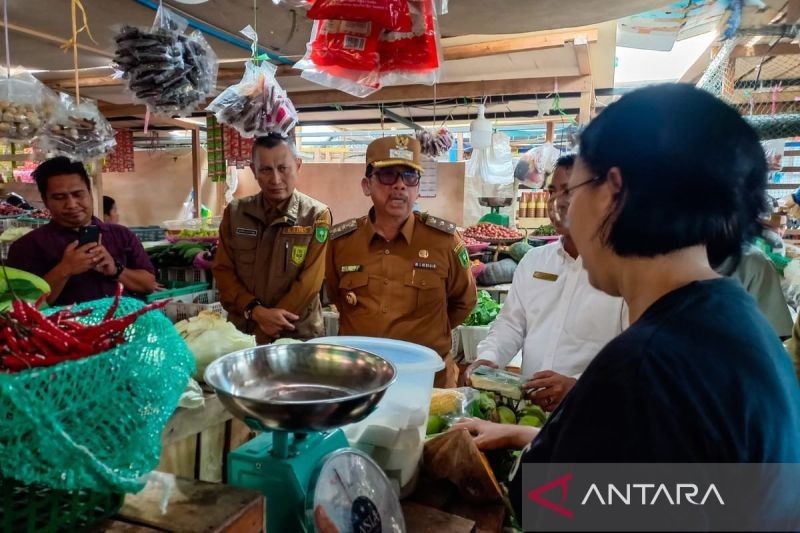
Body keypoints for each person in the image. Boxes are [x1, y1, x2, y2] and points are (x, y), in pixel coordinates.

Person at [456, 85, 800, 527]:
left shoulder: (645, 366)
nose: (564, 210)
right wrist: (531, 437)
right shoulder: (733, 321)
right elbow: (685, 493)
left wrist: (537, 475)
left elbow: (564, 507)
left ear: (613, 192)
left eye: (574, 189)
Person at [463, 154, 626, 412]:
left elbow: (632, 359)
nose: (556, 202)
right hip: (529, 411)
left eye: (568, 191)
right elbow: (511, 324)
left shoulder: (623, 270)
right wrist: (489, 358)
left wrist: (577, 386)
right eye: (551, 191)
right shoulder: (534, 261)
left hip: (591, 413)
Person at [325, 135, 477, 388]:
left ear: (418, 187)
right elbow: (339, 299)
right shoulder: (341, 243)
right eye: (387, 176)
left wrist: (427, 333)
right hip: (362, 382)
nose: (399, 186)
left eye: (409, 176)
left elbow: (464, 301)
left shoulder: (444, 241)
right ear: (366, 185)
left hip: (427, 382)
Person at [214, 133, 331, 344]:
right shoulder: (236, 213)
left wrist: (272, 323)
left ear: (297, 165)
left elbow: (310, 282)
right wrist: (255, 311)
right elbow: (224, 272)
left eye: (283, 168)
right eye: (266, 169)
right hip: (243, 333)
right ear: (253, 171)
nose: (275, 179)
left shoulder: (316, 215)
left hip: (297, 335)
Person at [6, 157, 157, 305]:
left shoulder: (121, 235)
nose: (71, 204)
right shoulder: (26, 247)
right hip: (62, 329)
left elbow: (148, 285)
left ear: (90, 193)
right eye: (59, 197)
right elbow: (23, 308)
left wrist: (116, 270)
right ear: (46, 201)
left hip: (126, 327)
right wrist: (65, 269)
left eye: (78, 194)